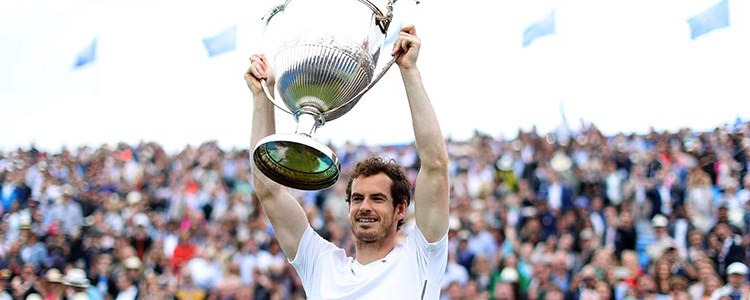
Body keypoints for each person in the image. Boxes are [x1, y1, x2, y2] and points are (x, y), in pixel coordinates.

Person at [245, 24, 449, 299]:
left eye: (377, 198)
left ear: (401, 209)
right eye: (357, 198)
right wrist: (262, 97)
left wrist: (409, 72)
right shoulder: (322, 264)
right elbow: (269, 191)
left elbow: (435, 166)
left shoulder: (422, 257)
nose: (364, 207)